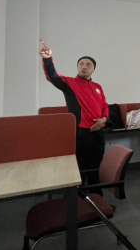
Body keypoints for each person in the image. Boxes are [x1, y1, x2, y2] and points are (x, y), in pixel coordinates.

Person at [39, 40, 109, 187]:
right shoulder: (70, 83)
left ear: (93, 69)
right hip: (81, 133)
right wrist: (47, 59)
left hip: (98, 133)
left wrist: (103, 120)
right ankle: (81, 196)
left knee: (96, 165)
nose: (84, 66)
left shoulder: (98, 87)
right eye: (81, 64)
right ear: (77, 67)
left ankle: (96, 194)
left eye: (88, 64)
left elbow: (104, 106)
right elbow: (52, 76)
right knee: (80, 168)